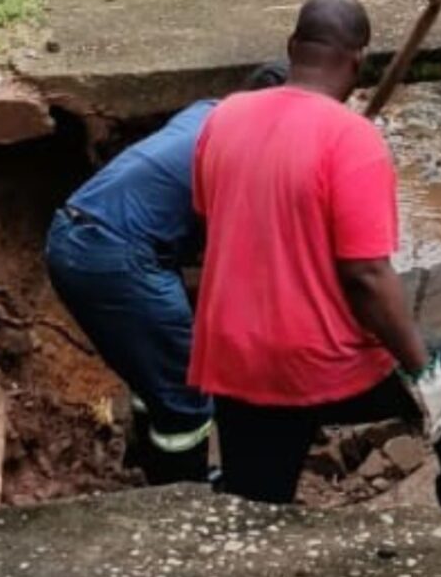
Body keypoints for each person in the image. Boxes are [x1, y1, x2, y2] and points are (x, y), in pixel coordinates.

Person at [188, 0, 441, 511]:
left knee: (256, 512)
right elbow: (367, 276)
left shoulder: (223, 117)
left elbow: (210, 224)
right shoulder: (353, 139)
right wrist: (420, 369)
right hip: (312, 362)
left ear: (292, 47)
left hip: (232, 355)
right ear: (358, 62)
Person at [44, 64, 288, 485]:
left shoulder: (205, 111)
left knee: (153, 370)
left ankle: (148, 463)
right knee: (187, 395)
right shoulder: (248, 146)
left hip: (73, 233)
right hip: (117, 257)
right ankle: (182, 497)